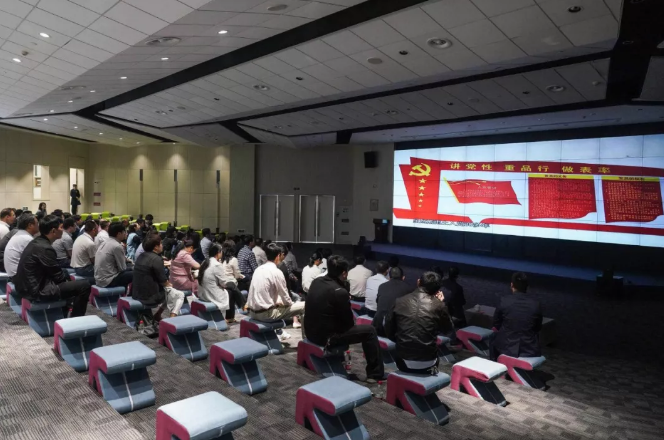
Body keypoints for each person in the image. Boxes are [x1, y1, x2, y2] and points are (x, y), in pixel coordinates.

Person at [305, 255, 384, 382]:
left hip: (310, 332)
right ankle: (375, 374)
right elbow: (348, 324)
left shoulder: (317, 281)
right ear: (344, 273)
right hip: (326, 339)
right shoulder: (339, 291)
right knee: (370, 331)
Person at [13, 215, 91, 318]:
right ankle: (76, 318)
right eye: (61, 227)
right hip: (36, 291)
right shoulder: (45, 248)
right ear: (53, 231)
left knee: (66, 274)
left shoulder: (37, 241)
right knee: (84, 285)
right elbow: (58, 277)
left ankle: (66, 307)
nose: (62, 230)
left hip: (27, 286)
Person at [384, 271, 453, 375]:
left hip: (402, 360)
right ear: (438, 290)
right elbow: (448, 330)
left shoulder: (399, 301)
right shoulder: (440, 306)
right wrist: (441, 303)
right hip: (429, 362)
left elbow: (388, 330)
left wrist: (401, 340)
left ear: (418, 282)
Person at [246, 243, 304, 340]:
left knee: (280, 303)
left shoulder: (258, 269)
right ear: (278, 256)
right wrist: (290, 305)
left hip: (253, 313)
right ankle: (306, 340)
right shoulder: (277, 272)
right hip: (266, 315)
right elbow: (286, 298)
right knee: (304, 306)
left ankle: (280, 332)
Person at [490, 272, 543, 361]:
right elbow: (538, 327)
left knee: (493, 336)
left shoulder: (504, 300)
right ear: (527, 287)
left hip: (506, 347)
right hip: (529, 349)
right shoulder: (536, 304)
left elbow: (496, 324)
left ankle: (495, 365)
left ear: (511, 285)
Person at [132, 235, 185, 320]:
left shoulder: (141, 256)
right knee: (179, 295)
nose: (162, 245)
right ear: (156, 247)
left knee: (169, 292)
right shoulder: (156, 259)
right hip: (149, 297)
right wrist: (169, 284)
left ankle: (158, 314)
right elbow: (163, 281)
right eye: (160, 243)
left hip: (136, 293)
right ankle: (171, 322)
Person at [373, 266, 412, 336]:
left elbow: (378, 302)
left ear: (389, 277)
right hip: (395, 331)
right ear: (403, 278)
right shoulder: (409, 289)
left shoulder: (382, 286)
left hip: (378, 327)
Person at [197, 243, 232, 318]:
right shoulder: (217, 265)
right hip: (211, 294)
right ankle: (228, 317)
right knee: (231, 290)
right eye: (221, 251)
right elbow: (224, 283)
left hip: (203, 293)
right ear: (218, 253)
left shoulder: (205, 262)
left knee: (232, 288)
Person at [94, 222, 133, 289]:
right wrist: (131, 268)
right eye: (124, 232)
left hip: (98, 279)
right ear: (119, 234)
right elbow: (122, 269)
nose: (126, 234)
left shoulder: (104, 242)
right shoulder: (117, 246)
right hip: (108, 281)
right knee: (136, 273)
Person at [219, 240, 246, 322]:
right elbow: (237, 274)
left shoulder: (220, 259)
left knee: (231, 292)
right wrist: (240, 276)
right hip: (231, 282)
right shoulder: (233, 260)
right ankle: (243, 304)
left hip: (222, 283)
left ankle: (230, 317)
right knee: (243, 283)